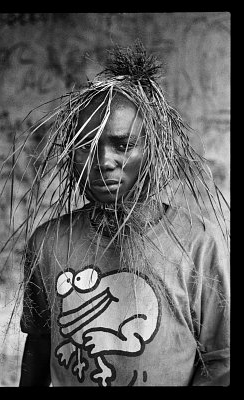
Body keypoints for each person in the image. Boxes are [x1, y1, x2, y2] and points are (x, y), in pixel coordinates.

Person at [17, 42, 230, 386]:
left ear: (153, 150)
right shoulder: (48, 242)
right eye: (86, 146)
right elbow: (40, 345)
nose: (103, 162)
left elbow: (220, 359)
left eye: (123, 144)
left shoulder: (197, 243)